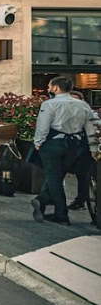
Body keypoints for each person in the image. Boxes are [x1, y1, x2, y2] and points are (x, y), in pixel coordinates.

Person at [31, 76, 97, 226]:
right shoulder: (83, 105)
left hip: (53, 143)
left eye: (49, 86)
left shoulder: (49, 104)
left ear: (55, 88)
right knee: (58, 174)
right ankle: (40, 201)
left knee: (54, 177)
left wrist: (38, 142)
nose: (48, 88)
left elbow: (43, 125)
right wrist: (93, 147)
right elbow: (92, 126)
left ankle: (61, 214)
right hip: (75, 145)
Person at [66, 90, 101, 210]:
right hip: (72, 150)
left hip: (86, 150)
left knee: (84, 176)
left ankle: (83, 201)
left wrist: (94, 149)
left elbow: (96, 131)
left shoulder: (89, 114)